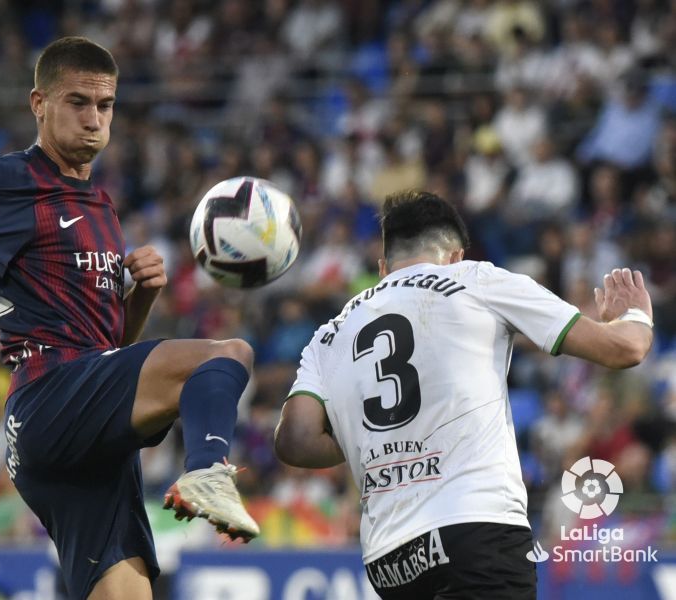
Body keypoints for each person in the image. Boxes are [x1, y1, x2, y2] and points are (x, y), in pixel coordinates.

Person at [0, 36, 258, 600]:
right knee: (228, 356)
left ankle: (204, 474)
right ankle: (209, 469)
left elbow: (110, 345)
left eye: (104, 106)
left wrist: (141, 298)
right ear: (39, 104)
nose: (93, 119)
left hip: (78, 429)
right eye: (77, 102)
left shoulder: (103, 209)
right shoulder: (12, 180)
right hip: (50, 396)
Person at [274, 190, 654, 599]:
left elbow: (294, 441)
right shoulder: (477, 280)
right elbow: (624, 349)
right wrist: (634, 315)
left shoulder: (329, 334)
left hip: (389, 557)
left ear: (383, 266)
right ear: (455, 256)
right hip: (476, 528)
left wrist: (368, 437)